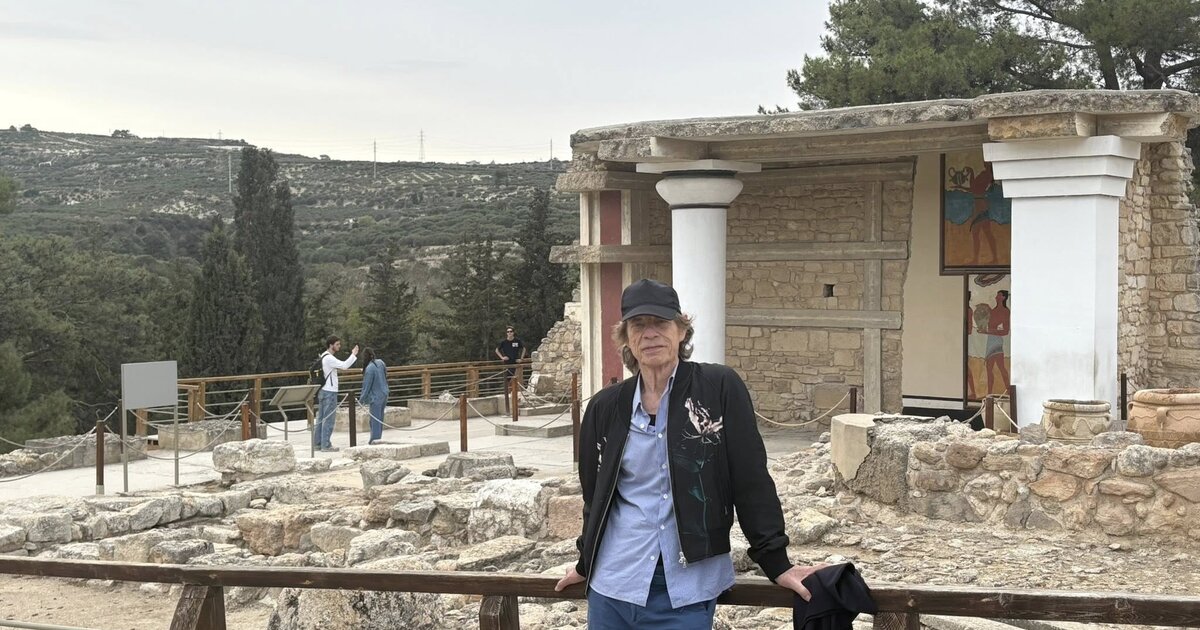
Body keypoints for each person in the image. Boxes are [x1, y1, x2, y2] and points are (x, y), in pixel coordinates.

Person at [554, 278, 824, 629]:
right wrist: (584, 561)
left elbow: (750, 479)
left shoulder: (718, 388)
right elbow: (596, 495)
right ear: (626, 338)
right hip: (613, 585)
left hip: (687, 588)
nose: (650, 333)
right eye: (638, 325)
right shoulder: (605, 407)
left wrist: (777, 563)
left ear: (681, 331)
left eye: (661, 322)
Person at [315, 335, 357, 452]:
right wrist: (353, 354)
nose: (339, 346)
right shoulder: (329, 358)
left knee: (321, 418)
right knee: (328, 419)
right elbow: (344, 366)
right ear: (331, 345)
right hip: (330, 391)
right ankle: (326, 445)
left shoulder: (323, 356)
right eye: (337, 344)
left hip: (323, 390)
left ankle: (318, 443)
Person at [358, 347, 389, 445]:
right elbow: (386, 375)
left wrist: (361, 400)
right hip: (384, 393)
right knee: (380, 419)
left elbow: (366, 386)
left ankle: (375, 440)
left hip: (376, 397)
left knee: (374, 420)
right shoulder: (381, 363)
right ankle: (377, 438)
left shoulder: (369, 369)